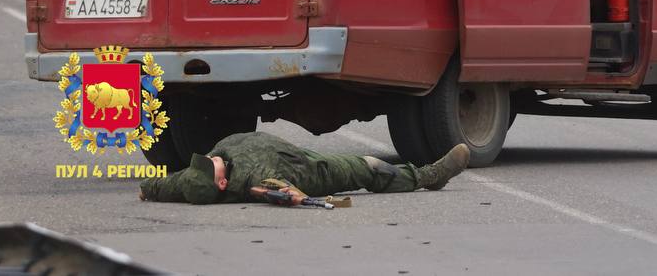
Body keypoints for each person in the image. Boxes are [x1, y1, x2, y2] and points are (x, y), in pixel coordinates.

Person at [139, 132, 471, 205]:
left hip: (293, 151)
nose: (207, 160)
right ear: (222, 184)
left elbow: (166, 185)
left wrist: (147, 190)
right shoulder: (251, 178)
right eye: (209, 168)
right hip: (313, 170)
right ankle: (430, 176)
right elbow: (275, 189)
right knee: (371, 167)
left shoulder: (196, 174)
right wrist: (291, 196)